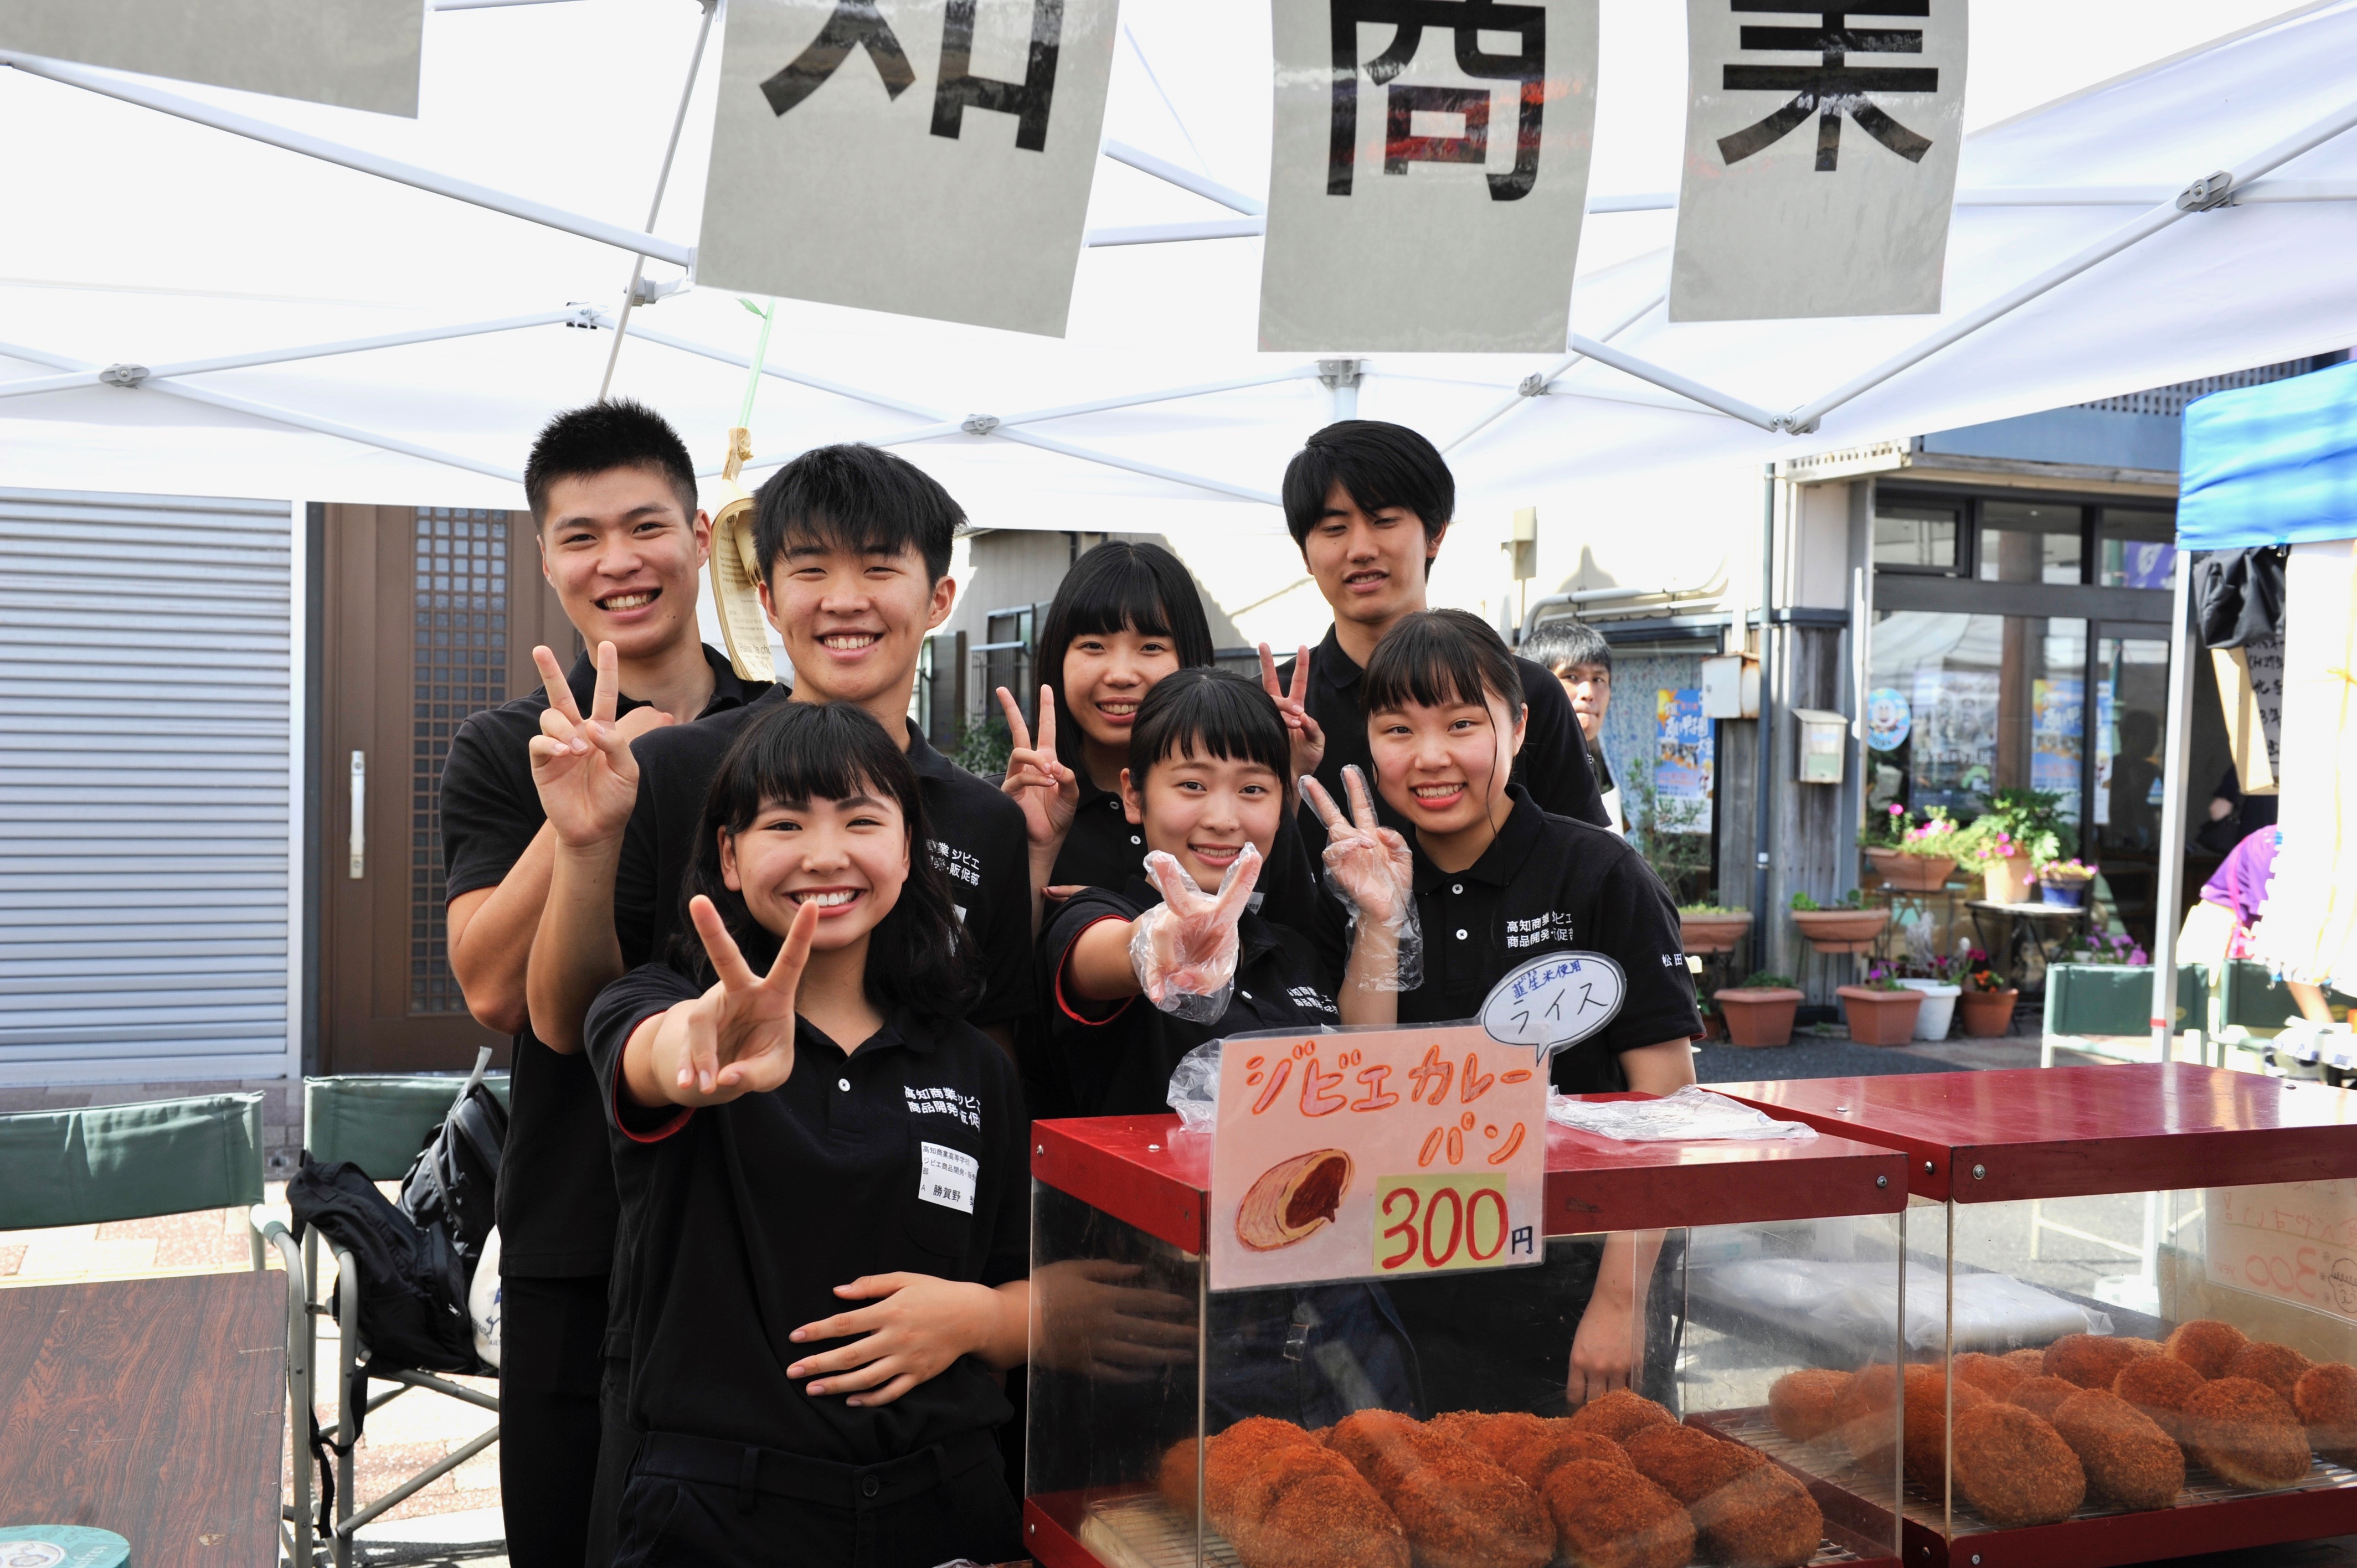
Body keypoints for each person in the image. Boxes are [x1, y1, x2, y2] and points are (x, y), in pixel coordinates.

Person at [584, 701, 1029, 1567]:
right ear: (728, 854)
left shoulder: (977, 1065)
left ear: (909, 847)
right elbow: (659, 1060)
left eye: (861, 821)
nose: (826, 855)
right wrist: (704, 1039)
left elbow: (1029, 1292)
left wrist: (976, 1318)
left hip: (946, 1503)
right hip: (718, 1515)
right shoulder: (658, 1004)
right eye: (785, 824)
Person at [436, 399, 763, 1568]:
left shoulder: (782, 734)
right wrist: (582, 795)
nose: (617, 562)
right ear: (547, 560)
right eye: (581, 538)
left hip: (754, 1215)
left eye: (645, 527)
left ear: (700, 535)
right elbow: (488, 989)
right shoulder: (500, 747)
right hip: (576, 1222)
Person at [1315, 608, 1702, 1417]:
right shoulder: (1365, 876)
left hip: (1584, 1276)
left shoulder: (1599, 873)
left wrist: (1622, 1301)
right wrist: (1381, 919)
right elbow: (1364, 1079)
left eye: (1462, 724)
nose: (1430, 757)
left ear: (1519, 728)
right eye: (1397, 729)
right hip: (1417, 1283)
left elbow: (1667, 1102)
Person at [525, 442, 1032, 1058]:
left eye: (879, 569)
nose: (843, 600)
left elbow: (992, 1044)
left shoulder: (989, 821)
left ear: (939, 600)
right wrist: (581, 847)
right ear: (767, 600)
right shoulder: (671, 767)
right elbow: (569, 1023)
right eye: (811, 570)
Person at [1028, 668, 1419, 1433]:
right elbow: (1107, 955)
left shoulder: (1288, 949)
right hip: (1172, 1343)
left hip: (1330, 1320)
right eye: (1192, 785)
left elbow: (1366, 1075)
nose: (1221, 816)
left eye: (1252, 789)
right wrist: (1163, 942)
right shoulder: (1096, 917)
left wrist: (1379, 920)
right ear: (1134, 795)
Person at [1270, 421, 1606, 862]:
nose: (1360, 549)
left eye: (1384, 521)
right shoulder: (1273, 709)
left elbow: (1588, 863)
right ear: (1305, 553)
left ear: (1435, 534)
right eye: (1334, 528)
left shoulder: (1525, 689)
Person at [992, 540, 1320, 950]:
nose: (1121, 674)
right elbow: (992, 974)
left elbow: (1296, 959)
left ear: (1191, 656)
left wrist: (1279, 777)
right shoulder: (1015, 805)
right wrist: (1036, 859)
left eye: (1151, 647)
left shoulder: (1246, 814)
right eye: (1093, 646)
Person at [1521, 618, 1622, 834]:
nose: (1588, 693)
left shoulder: (1586, 762)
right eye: (1571, 677)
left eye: (1599, 679)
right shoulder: (1513, 762)